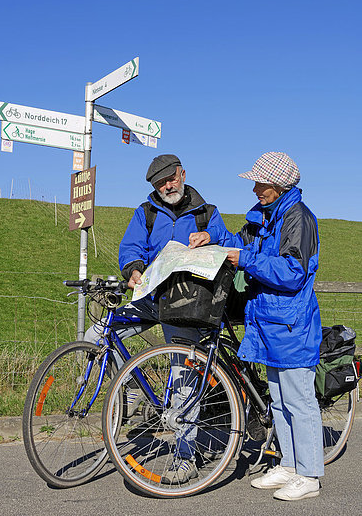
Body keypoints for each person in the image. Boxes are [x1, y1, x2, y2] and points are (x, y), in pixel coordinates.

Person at [85, 153, 229, 482]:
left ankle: (184, 457)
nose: (166, 186)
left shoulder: (208, 213)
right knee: (95, 336)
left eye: (170, 179)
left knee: (182, 380)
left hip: (185, 306)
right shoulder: (146, 212)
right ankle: (131, 390)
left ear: (182, 173)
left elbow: (227, 244)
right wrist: (133, 269)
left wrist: (210, 238)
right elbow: (130, 247)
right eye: (159, 183)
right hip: (150, 298)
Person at [190, 151, 324, 501]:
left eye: (259, 182)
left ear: (278, 185)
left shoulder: (298, 219)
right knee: (279, 400)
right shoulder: (271, 216)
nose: (254, 189)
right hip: (271, 322)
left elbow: (293, 272)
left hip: (291, 323)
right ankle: (291, 466)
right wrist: (213, 239)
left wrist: (245, 259)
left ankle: (309, 476)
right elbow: (242, 243)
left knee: (299, 400)